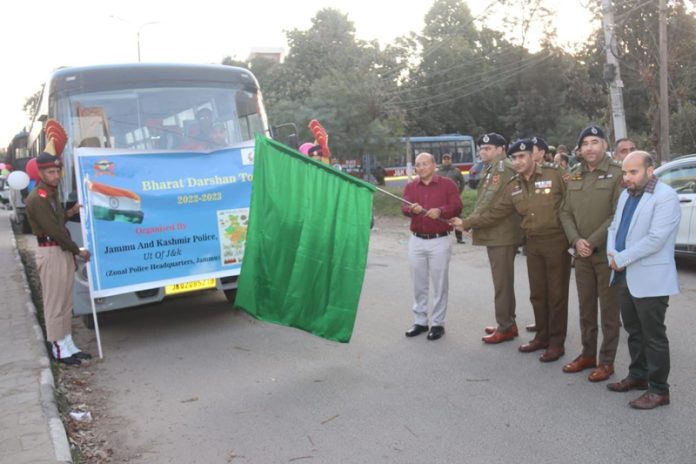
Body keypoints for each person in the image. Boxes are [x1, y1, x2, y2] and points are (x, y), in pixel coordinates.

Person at [452, 139, 571, 362]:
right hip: (532, 243)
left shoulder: (555, 174)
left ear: (532, 156)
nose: (517, 162)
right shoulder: (514, 184)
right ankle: (542, 337)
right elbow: (496, 211)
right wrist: (468, 223)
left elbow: (573, 203)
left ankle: (556, 343)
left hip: (556, 241)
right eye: (514, 158)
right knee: (538, 294)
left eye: (522, 157)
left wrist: (575, 237)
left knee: (556, 295)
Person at [606, 151, 681, 409]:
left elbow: (655, 239)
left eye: (633, 172)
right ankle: (638, 376)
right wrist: (612, 254)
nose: (627, 178)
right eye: (625, 173)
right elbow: (614, 227)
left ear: (650, 170)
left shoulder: (666, 197)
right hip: (624, 274)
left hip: (651, 276)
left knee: (653, 335)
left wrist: (622, 257)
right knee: (634, 331)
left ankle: (659, 390)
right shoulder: (626, 194)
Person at [560, 125, 624, 382]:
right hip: (582, 255)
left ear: (605, 146)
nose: (589, 147)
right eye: (585, 143)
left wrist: (592, 241)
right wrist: (576, 241)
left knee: (609, 312)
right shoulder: (574, 175)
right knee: (586, 309)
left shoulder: (617, 173)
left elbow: (617, 214)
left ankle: (607, 361)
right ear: (579, 149)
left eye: (595, 142)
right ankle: (587, 354)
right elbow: (565, 211)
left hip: (607, 255)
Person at [25, 139, 92, 366]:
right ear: (41, 173)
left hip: (60, 251)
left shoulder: (50, 193)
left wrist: (71, 211)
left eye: (58, 171)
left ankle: (67, 343)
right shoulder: (38, 198)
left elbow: (57, 220)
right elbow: (54, 230)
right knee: (55, 302)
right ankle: (58, 348)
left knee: (65, 301)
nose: (56, 175)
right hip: (51, 251)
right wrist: (77, 250)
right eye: (51, 172)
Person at [459, 133, 522, 344]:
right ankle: (507, 322)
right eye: (481, 149)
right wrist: (473, 224)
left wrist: (468, 222)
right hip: (495, 232)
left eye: (488, 148)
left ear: (501, 149)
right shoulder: (491, 168)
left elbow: (494, 205)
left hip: (502, 234)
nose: (483, 152)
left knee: (502, 283)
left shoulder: (504, 169)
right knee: (502, 282)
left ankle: (505, 327)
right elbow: (484, 203)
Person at [402, 153, 462, 341]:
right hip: (416, 240)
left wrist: (441, 211)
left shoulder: (448, 184)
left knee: (439, 283)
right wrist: (411, 209)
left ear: (434, 165)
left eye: (425, 164)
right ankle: (420, 321)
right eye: (418, 165)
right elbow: (404, 207)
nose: (420, 168)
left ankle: (437, 323)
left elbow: (457, 206)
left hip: (439, 240)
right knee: (419, 283)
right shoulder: (411, 186)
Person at [436, 153, 466, 244]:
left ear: (451, 160)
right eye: (444, 159)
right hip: (442, 199)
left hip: (454, 199)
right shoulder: (438, 172)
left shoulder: (456, 171)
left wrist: (458, 192)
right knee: (441, 217)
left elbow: (462, 182)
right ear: (442, 160)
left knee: (458, 217)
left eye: (448, 159)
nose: (446, 160)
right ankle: (441, 235)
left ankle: (459, 238)